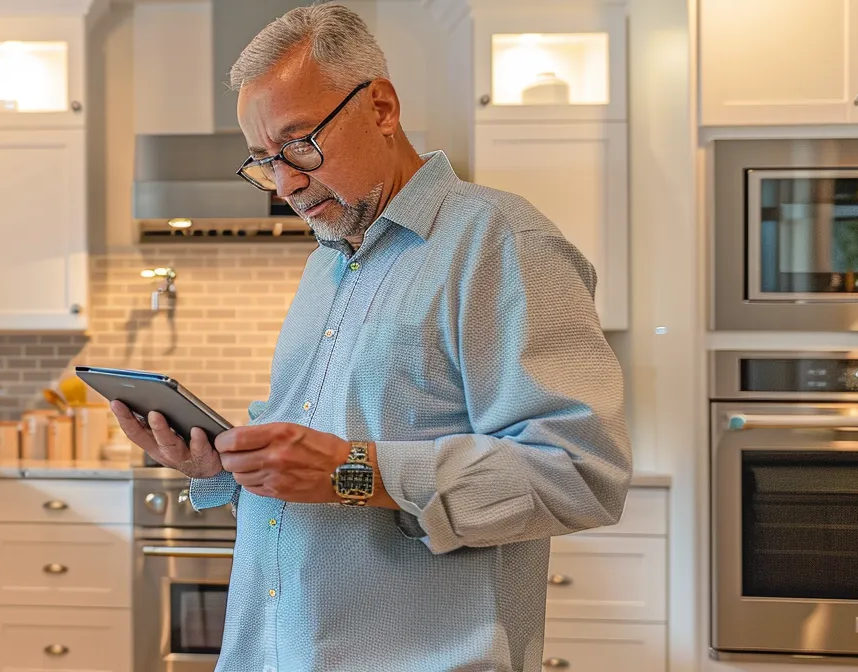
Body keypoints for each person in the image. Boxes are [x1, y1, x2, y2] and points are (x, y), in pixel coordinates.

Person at [108, 4, 631, 671]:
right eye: (266, 162)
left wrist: (355, 471)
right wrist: (224, 468)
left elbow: (582, 474)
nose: (288, 183)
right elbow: (317, 480)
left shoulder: (502, 244)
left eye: (301, 144)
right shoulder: (327, 263)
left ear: (381, 107)